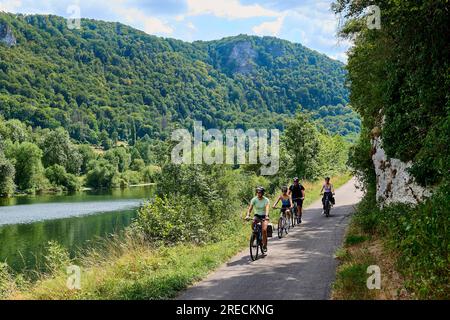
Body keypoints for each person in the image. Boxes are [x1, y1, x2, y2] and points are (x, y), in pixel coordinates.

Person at [245, 186, 270, 252]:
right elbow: (250, 208)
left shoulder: (266, 200)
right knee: (253, 223)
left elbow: (267, 208)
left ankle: (264, 245)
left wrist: (267, 216)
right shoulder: (254, 199)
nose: (258, 194)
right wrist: (248, 215)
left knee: (264, 230)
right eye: (257, 193)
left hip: (264, 216)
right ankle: (255, 235)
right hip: (257, 215)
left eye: (260, 193)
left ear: (262, 193)